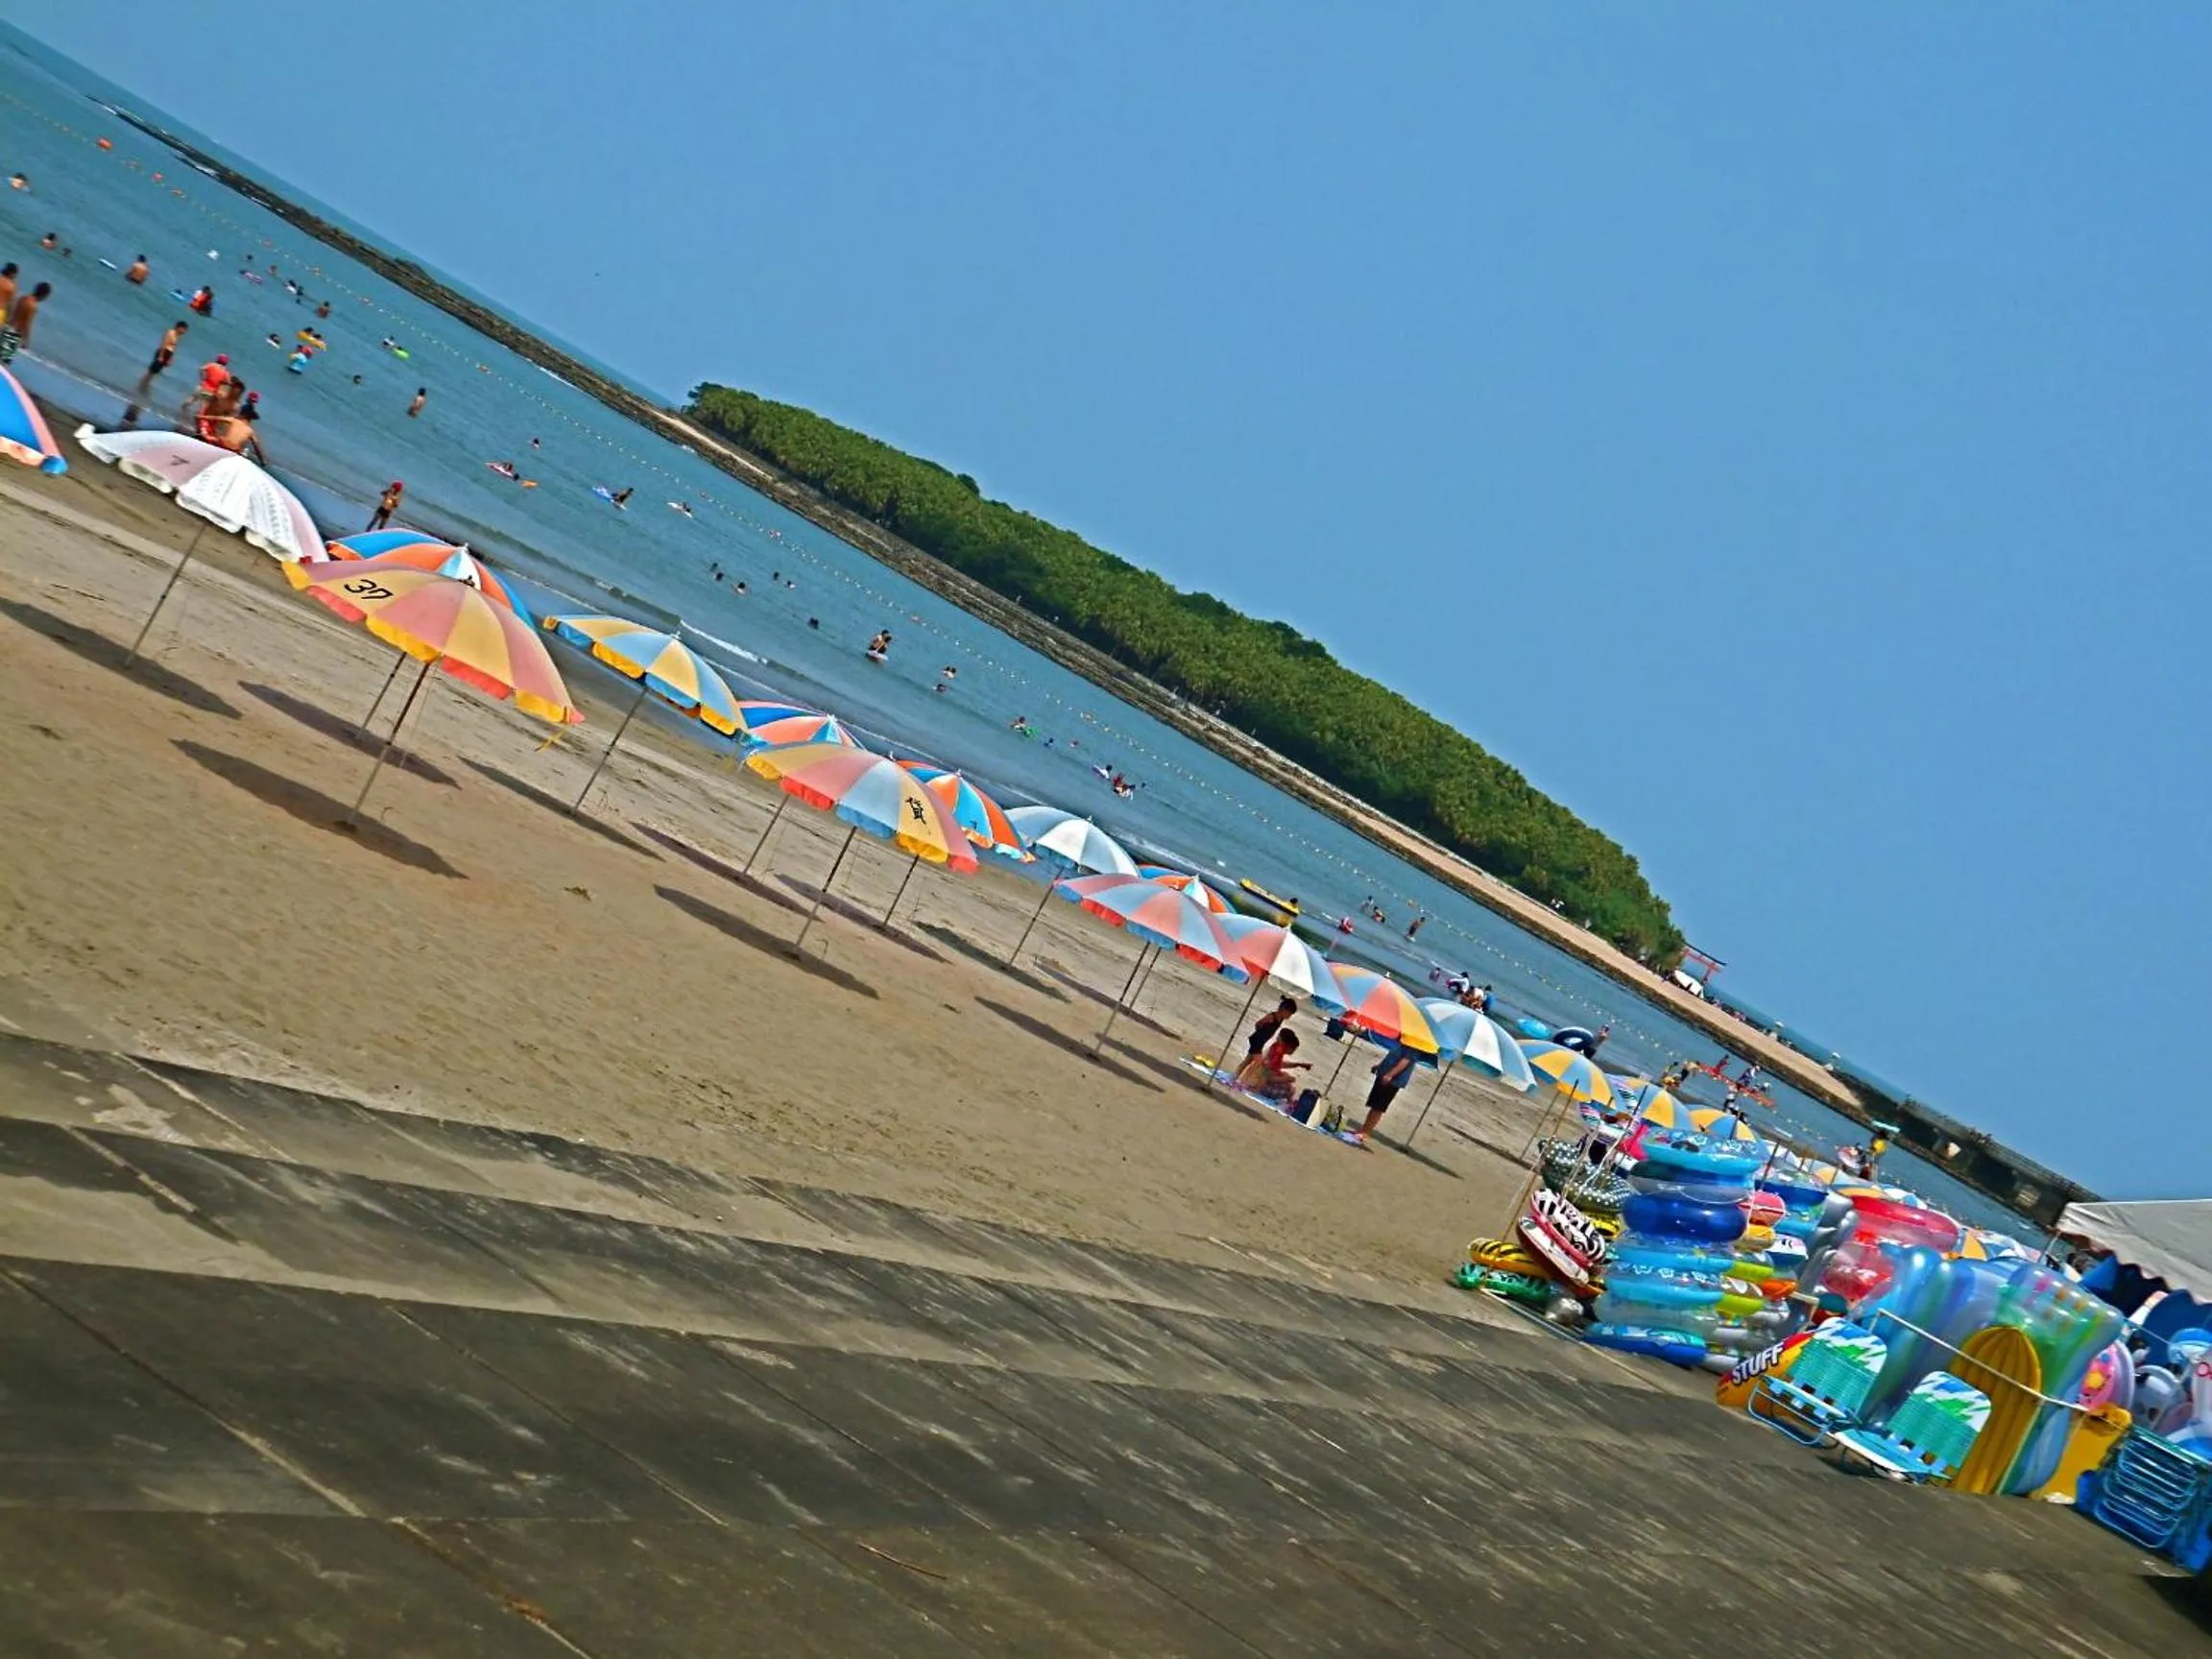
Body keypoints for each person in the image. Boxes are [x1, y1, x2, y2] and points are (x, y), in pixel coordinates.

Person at [1345, 1044, 1421, 1145]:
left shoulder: (1415, 1045)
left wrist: (1390, 1075)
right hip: (1384, 1074)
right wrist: (1379, 1066)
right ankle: (1362, 1130)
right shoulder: (1403, 1041)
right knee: (1374, 1104)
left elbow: (1405, 1061)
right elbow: (1391, 1056)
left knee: (1379, 1107)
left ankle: (1365, 1132)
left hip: (1393, 1080)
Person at [1238, 1029, 1308, 1101]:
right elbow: (1267, 1076)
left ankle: (1290, 1099)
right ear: (1286, 1046)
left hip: (1260, 1078)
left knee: (1287, 1080)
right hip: (1256, 1082)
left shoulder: (1276, 1051)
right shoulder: (1274, 1054)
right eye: (1293, 1049)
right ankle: (1290, 1103)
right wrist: (1284, 1079)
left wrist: (1298, 1064)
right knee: (1290, 1089)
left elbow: (1279, 1065)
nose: (1293, 1052)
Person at [1237, 998, 1298, 1077]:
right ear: (1284, 1009)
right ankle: (1243, 1078)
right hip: (1257, 1040)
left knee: (1248, 1060)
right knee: (1257, 1061)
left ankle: (1236, 1076)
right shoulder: (1271, 1016)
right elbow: (1258, 1024)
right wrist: (1261, 1033)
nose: (1289, 1017)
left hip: (1261, 1041)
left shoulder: (1281, 1019)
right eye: (1289, 1014)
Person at [0, 281, 50, 365]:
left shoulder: (23, 298)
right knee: (3, 362)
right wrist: (26, 340)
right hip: (13, 334)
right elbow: (27, 324)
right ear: (44, 295)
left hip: (7, 327)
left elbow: (13, 311)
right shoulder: (33, 306)